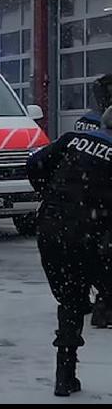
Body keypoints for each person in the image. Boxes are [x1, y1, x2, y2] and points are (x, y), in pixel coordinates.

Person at [27, 105, 112, 396]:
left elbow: (34, 165)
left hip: (53, 232)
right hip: (94, 237)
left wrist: (50, 195)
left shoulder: (72, 140)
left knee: (71, 302)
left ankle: (65, 376)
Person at [74, 74, 112, 328]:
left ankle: (83, 298)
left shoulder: (86, 121)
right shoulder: (96, 122)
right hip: (98, 201)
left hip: (80, 202)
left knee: (91, 253)